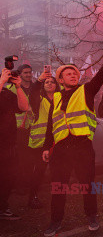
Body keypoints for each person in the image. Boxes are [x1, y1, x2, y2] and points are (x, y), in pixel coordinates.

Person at [41, 45, 103, 236]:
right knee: (58, 187)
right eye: (68, 74)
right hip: (60, 150)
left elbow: (100, 77)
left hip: (82, 146)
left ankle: (91, 216)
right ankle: (55, 221)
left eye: (75, 73)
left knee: (87, 185)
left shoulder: (86, 91)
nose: (73, 75)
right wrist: (46, 147)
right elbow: (51, 125)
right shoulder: (56, 98)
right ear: (60, 80)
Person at [24, 70, 60, 208]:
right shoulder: (38, 100)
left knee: (58, 170)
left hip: (58, 141)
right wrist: (39, 80)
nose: (50, 83)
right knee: (39, 171)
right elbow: (32, 92)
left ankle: (57, 194)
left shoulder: (60, 99)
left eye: (52, 81)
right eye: (47, 82)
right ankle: (32, 197)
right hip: (40, 143)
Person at [0, 68, 29, 220]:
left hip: (9, 145)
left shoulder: (5, 93)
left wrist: (18, 87)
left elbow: (23, 108)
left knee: (7, 178)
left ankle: (2, 208)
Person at [9, 64, 35, 191]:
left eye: (30, 72)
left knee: (29, 159)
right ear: (19, 75)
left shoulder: (36, 88)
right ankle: (19, 186)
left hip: (33, 128)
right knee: (18, 159)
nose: (29, 75)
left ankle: (28, 185)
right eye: (25, 73)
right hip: (17, 129)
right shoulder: (11, 88)